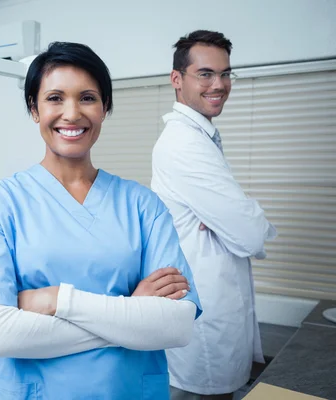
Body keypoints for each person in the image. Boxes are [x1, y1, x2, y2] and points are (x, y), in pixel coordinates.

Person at [0, 41, 203, 400]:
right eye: (55, 98)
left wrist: (58, 300)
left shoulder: (143, 206)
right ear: (34, 109)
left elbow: (175, 326)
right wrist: (130, 311)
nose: (71, 113)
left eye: (87, 98)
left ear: (104, 108)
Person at [151, 30, 278, 400]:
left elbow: (240, 224)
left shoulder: (201, 137)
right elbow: (251, 233)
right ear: (177, 80)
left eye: (225, 74)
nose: (219, 84)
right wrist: (241, 220)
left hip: (214, 299)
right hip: (203, 308)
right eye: (205, 73)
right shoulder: (184, 144)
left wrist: (234, 219)